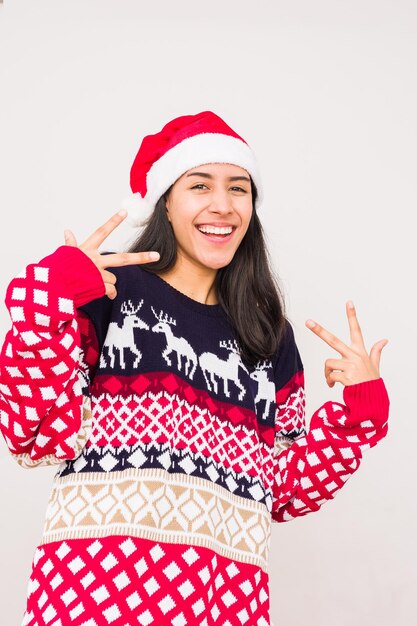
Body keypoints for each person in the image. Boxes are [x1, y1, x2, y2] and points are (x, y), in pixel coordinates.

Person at [0, 111, 389, 626]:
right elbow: (35, 437)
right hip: (94, 601)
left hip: (224, 607)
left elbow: (284, 489)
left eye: (239, 189)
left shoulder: (268, 337)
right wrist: (51, 292)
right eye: (199, 185)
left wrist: (359, 414)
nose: (223, 206)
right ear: (166, 199)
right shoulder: (111, 288)